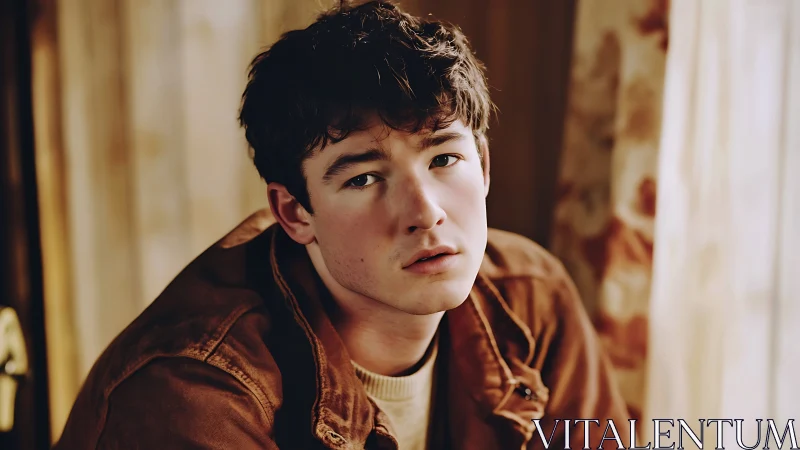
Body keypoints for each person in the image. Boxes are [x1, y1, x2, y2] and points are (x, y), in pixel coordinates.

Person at [54, 1, 630, 449]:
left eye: (443, 159)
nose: (425, 211)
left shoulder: (530, 298)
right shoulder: (195, 390)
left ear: (482, 166)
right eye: (362, 179)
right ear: (295, 213)